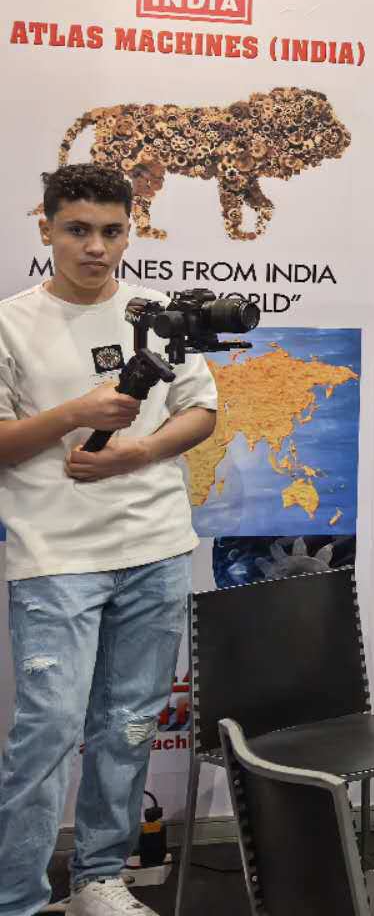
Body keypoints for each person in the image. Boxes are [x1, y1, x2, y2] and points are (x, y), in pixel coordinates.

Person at [0, 164, 218, 916]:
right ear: (46, 228)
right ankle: (17, 899)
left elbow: (201, 413)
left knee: (128, 727)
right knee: (47, 733)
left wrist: (139, 452)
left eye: (111, 231)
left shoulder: (156, 317)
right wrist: (75, 414)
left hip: (156, 549)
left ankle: (99, 879)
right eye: (77, 230)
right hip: (55, 558)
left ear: (130, 230)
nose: (95, 247)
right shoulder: (11, 323)